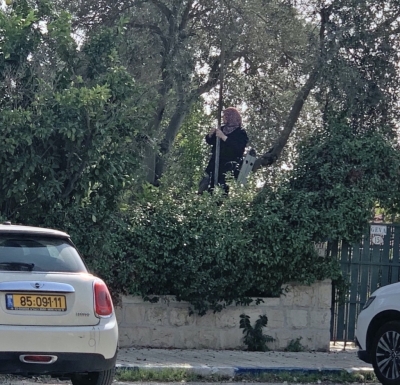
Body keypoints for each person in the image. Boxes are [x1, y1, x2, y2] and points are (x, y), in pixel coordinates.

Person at [198, 107, 248, 194]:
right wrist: (210, 135)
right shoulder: (222, 128)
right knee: (206, 184)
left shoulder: (240, 133)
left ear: (231, 117)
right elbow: (210, 141)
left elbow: (239, 148)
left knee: (222, 188)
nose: (223, 118)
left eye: (225, 116)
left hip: (228, 166)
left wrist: (224, 137)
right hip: (214, 163)